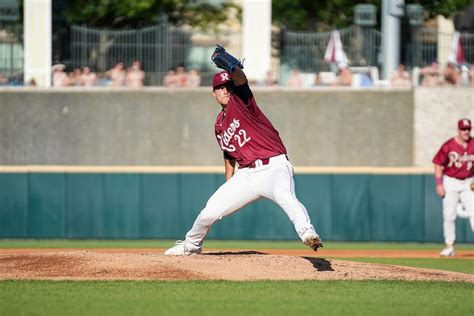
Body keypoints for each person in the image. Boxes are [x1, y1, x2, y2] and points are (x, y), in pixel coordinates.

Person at [165, 46, 322, 256]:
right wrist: (229, 182)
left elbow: (239, 79)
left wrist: (230, 66)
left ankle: (308, 234)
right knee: (208, 212)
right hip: (246, 174)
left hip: (274, 166)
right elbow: (229, 155)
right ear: (213, 93)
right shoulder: (219, 124)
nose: (225, 89)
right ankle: (190, 246)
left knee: (286, 197)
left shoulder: (241, 101)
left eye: (227, 86)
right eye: (220, 87)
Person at [432, 118, 474, 257]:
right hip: (450, 181)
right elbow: (438, 163)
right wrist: (439, 183)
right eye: (463, 129)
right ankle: (449, 246)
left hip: (468, 182)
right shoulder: (449, 146)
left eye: (468, 129)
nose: (466, 131)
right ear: (458, 130)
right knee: (449, 215)